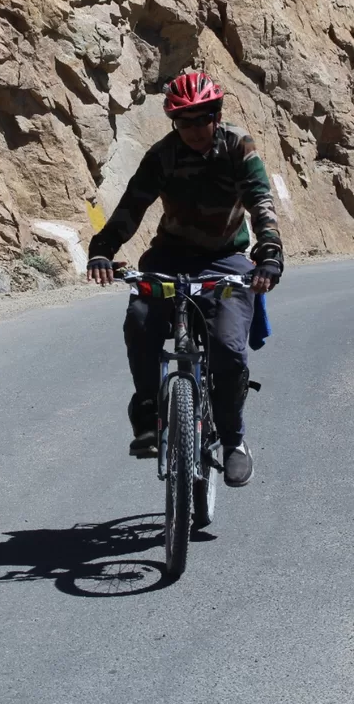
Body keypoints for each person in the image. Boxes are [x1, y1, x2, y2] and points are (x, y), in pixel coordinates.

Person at [86, 70, 282, 487]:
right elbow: (131, 206)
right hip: (171, 256)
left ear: (216, 114)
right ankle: (146, 409)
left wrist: (269, 255)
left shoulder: (236, 146)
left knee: (229, 349)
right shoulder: (164, 154)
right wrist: (102, 250)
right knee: (140, 321)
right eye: (183, 120)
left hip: (225, 259)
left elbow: (260, 201)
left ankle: (234, 442)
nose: (193, 129)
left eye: (200, 118)